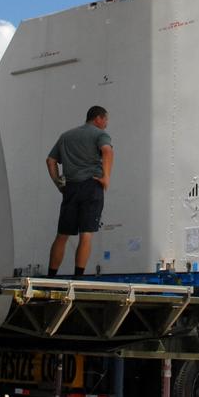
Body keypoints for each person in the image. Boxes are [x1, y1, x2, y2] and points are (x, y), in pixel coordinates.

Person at [45, 105, 113, 277]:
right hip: (91, 186)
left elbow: (50, 160)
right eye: (105, 119)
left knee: (62, 235)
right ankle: (78, 276)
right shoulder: (100, 134)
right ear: (98, 118)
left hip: (71, 187)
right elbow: (107, 151)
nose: (106, 123)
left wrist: (58, 183)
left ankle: (51, 275)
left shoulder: (66, 136)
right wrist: (106, 177)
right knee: (86, 234)